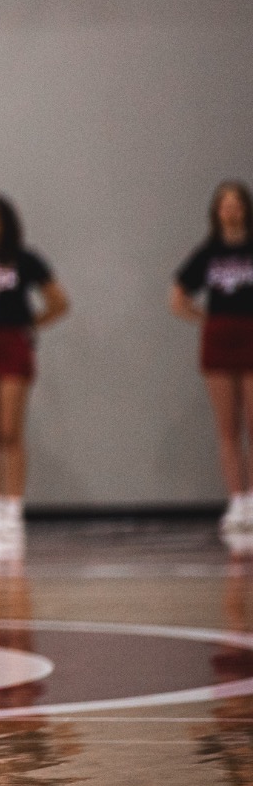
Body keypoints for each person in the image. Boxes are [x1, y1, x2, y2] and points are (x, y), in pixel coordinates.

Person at [0, 193, 68, 541]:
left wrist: (30, 323)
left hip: (12, 344)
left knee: (9, 430)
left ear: (7, 223)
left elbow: (58, 301)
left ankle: (13, 509)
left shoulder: (25, 259)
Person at [174, 181, 253, 535]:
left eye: (237, 203)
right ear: (217, 212)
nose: (231, 210)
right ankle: (237, 499)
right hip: (220, 338)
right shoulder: (207, 252)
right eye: (225, 204)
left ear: (246, 209)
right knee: (228, 426)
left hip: (250, 334)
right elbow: (178, 295)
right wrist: (204, 318)